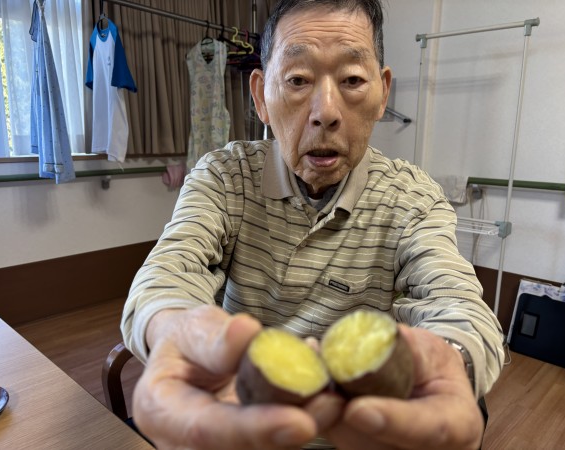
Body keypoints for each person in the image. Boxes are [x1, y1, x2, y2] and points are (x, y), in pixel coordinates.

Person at [122, 0, 505, 448]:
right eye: (298, 80)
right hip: (240, 422)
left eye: (352, 80)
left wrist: (452, 358)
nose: (326, 112)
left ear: (382, 93)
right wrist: (173, 331)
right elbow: (169, 271)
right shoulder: (223, 178)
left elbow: (458, 302)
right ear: (261, 96)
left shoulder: (413, 199)